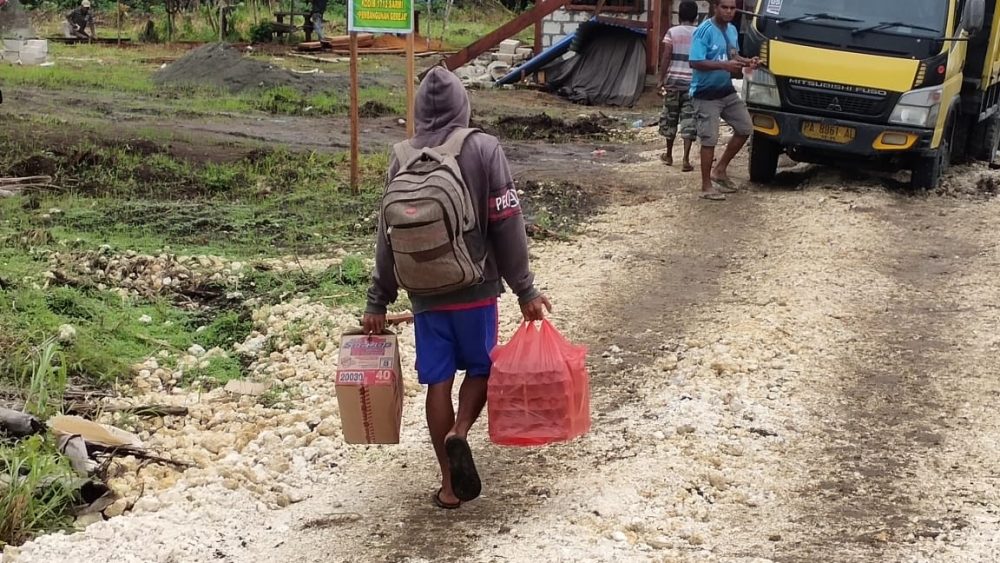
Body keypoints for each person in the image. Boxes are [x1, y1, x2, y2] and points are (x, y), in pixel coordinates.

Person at [363, 66, 552, 510]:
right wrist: (525, 289)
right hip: (476, 287)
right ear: (463, 105)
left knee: (437, 384)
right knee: (482, 369)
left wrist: (377, 299)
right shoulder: (483, 148)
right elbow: (507, 224)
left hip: (424, 294)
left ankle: (449, 487)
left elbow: (386, 235)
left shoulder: (401, 156)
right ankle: (460, 432)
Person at [689, 0, 758, 200]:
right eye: (724, 7)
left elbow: (733, 55)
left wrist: (749, 62)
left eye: (732, 8)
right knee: (709, 139)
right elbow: (694, 61)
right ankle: (706, 186)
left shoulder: (732, 30)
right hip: (705, 94)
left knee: (745, 128)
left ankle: (720, 170)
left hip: (726, 91)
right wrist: (724, 66)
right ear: (715, 7)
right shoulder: (704, 31)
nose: (729, 12)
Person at [657, 0, 700, 171]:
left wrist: (661, 79)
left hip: (673, 84)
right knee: (689, 121)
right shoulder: (699, 34)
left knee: (670, 118)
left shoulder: (672, 32)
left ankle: (668, 155)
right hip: (692, 85)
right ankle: (686, 159)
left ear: (679, 15)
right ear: (696, 16)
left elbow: (667, 55)